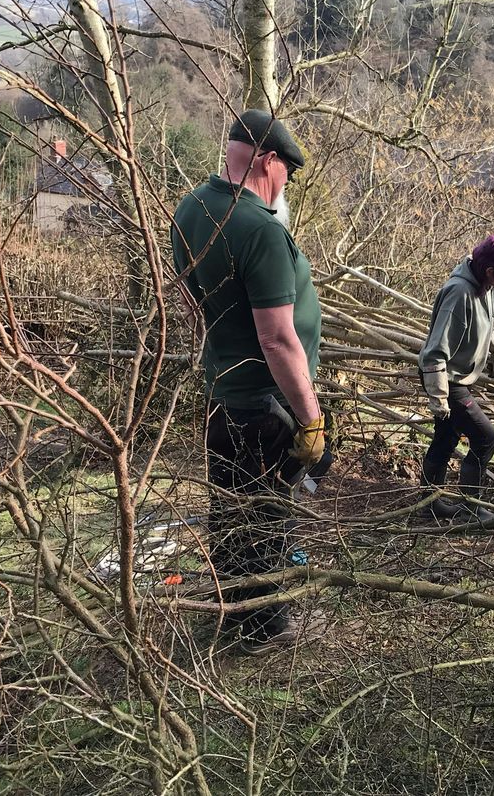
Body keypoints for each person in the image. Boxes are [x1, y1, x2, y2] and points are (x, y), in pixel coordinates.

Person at [170, 109, 326, 655]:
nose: (286, 184)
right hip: (265, 404)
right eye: (288, 171)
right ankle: (265, 628)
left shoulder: (192, 209)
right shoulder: (258, 227)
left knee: (230, 511)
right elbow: (278, 339)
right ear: (267, 160)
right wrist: (310, 418)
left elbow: (195, 306)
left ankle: (230, 610)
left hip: (224, 396)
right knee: (266, 517)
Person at [418, 234, 494, 525]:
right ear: (490, 271)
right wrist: (438, 397)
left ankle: (430, 504)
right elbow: (434, 353)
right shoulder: (458, 293)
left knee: (445, 438)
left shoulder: (487, 287)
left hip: (460, 376)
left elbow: (489, 322)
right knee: (486, 437)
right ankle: (470, 510)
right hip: (447, 380)